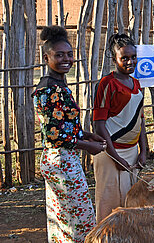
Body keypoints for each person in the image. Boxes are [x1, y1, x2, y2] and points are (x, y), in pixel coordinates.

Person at [33, 26, 106, 242]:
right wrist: (86, 145)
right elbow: (55, 135)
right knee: (80, 218)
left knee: (63, 218)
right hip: (61, 160)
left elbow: (61, 124)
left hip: (61, 157)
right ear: (46, 58)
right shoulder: (50, 89)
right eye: (59, 55)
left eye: (69, 54)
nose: (66, 59)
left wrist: (86, 134)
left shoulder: (57, 84)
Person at [93, 33, 148, 222]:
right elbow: (99, 125)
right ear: (114, 58)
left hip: (132, 152)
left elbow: (140, 121)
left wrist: (143, 151)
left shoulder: (137, 84)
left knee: (129, 202)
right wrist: (115, 157)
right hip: (110, 153)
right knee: (108, 204)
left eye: (133, 57)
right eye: (124, 58)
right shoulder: (107, 84)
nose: (130, 62)